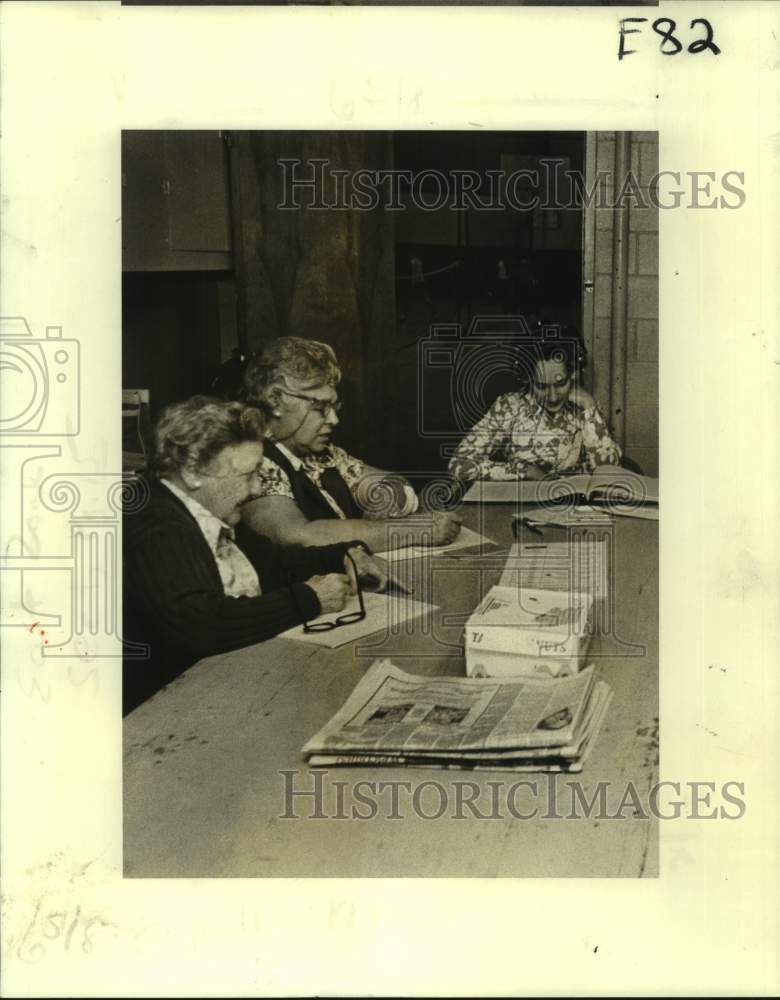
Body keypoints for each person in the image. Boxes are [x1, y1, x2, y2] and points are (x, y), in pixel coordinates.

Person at [123, 395, 387, 714]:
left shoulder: (207, 508)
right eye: (246, 475)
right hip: (163, 715)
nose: (255, 489)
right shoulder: (155, 524)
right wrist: (310, 599)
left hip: (220, 685)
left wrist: (342, 555)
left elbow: (272, 562)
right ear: (193, 472)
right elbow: (200, 624)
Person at [239, 337, 462, 550]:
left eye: (334, 407)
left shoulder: (319, 453)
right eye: (320, 407)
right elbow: (295, 535)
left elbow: (392, 482)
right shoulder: (252, 459)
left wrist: (384, 496)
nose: (334, 420)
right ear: (276, 400)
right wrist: (410, 529)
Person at [448, 338, 622, 482]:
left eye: (561, 384)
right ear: (528, 380)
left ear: (573, 375)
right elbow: (459, 464)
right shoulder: (509, 407)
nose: (553, 397)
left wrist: (590, 407)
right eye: (541, 386)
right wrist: (525, 471)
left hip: (573, 505)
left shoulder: (584, 407)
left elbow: (609, 474)